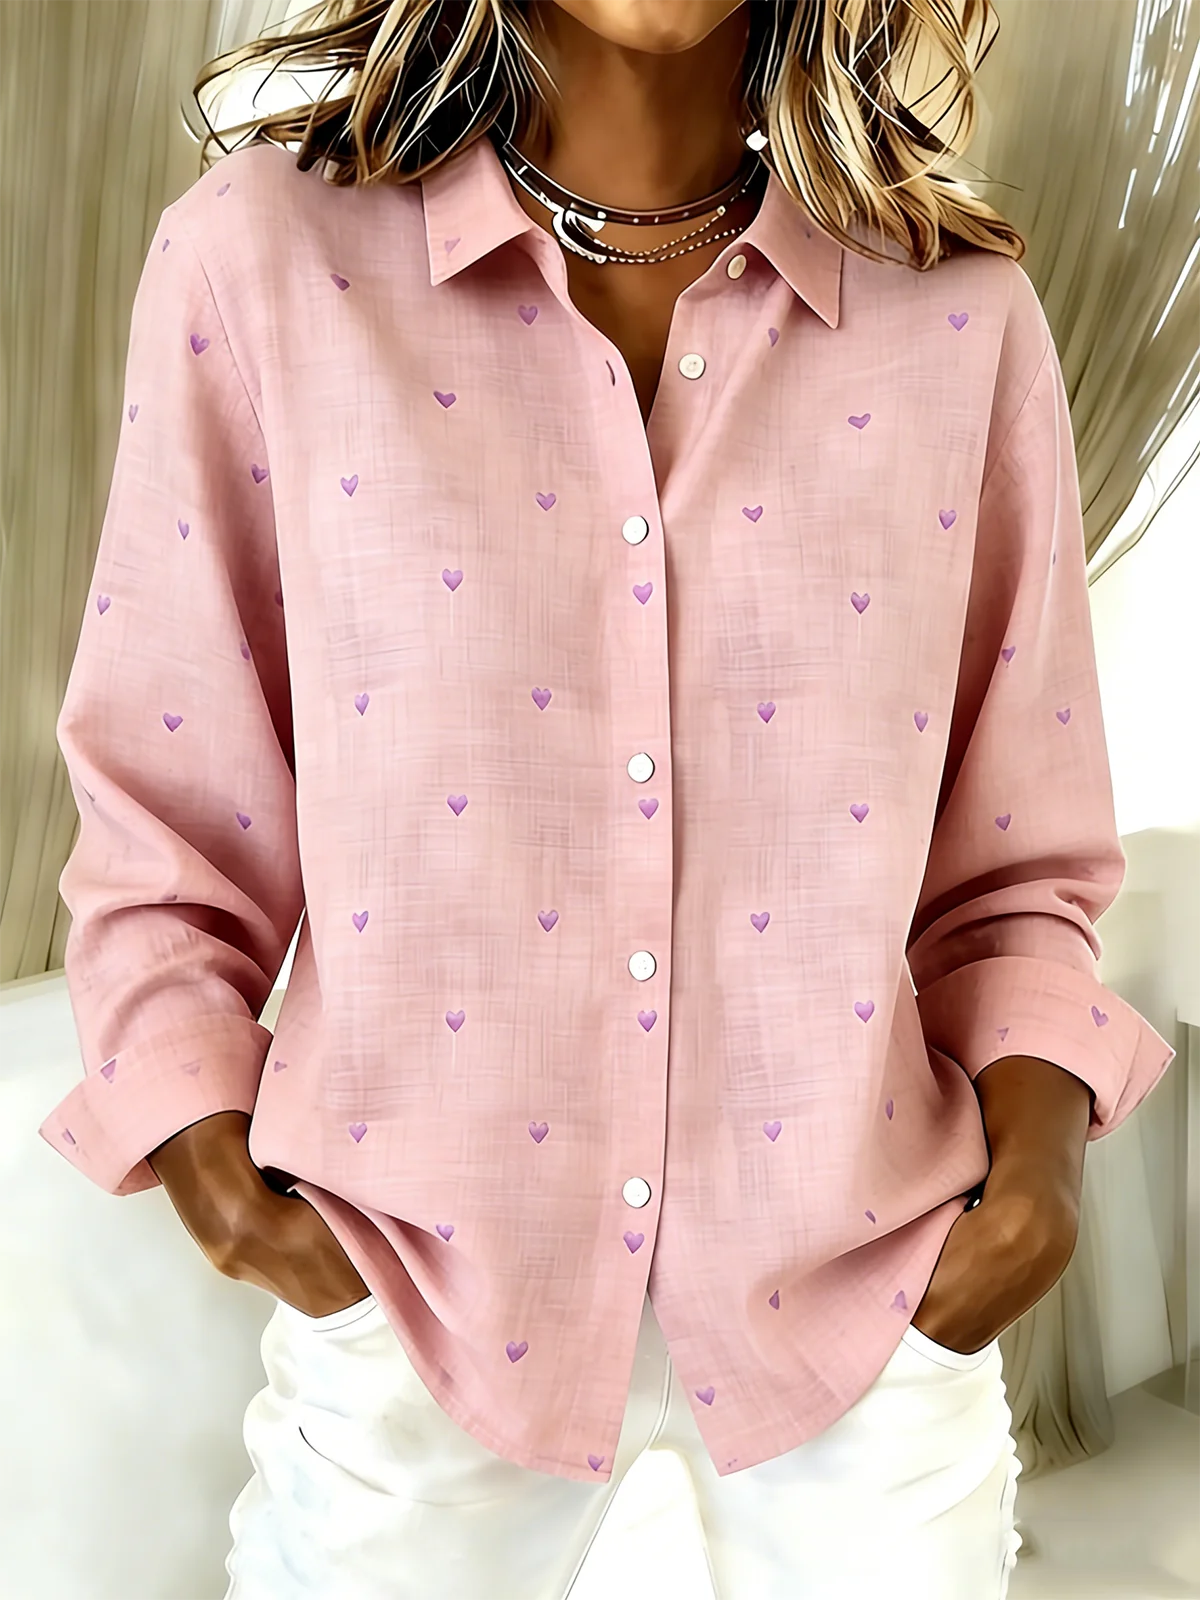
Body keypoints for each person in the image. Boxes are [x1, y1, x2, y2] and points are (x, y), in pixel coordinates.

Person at [41, 1, 1175, 1596]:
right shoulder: (263, 264)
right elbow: (170, 809)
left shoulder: (957, 316)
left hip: (864, 1315)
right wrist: (214, 1170)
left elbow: (1016, 864)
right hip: (416, 1305)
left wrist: (1039, 1177)